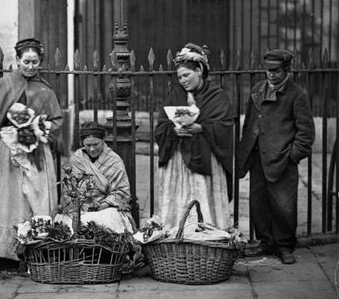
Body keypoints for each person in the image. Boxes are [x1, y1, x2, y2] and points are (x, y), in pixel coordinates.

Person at [0, 38, 63, 263]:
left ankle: (35, 246)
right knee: (6, 196)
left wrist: (38, 127)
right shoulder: (4, 84)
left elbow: (57, 120)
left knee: (35, 194)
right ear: (17, 60)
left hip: (35, 151)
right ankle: (1, 249)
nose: (30, 67)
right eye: (26, 61)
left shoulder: (45, 91)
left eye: (35, 62)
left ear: (40, 62)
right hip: (5, 151)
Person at [236, 48, 315, 264]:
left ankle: (285, 246)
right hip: (258, 158)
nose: (271, 75)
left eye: (277, 71)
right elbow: (249, 124)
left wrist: (292, 156)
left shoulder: (296, 94)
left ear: (287, 71)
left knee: (284, 205)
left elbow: (306, 133)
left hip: (282, 160)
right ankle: (265, 242)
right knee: (258, 202)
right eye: (268, 71)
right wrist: (246, 151)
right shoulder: (258, 90)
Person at [155, 43, 235, 231]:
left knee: (203, 200)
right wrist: (173, 131)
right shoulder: (175, 95)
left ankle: (208, 233)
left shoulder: (217, 95)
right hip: (179, 161)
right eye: (180, 77)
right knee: (180, 202)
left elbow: (225, 125)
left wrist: (202, 128)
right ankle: (178, 233)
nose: (182, 80)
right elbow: (161, 124)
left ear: (199, 70)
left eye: (186, 75)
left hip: (207, 160)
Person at [63, 121, 136, 231]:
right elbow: (68, 190)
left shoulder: (114, 161)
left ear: (103, 141)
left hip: (106, 209)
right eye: (88, 145)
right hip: (79, 209)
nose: (92, 149)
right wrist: (80, 205)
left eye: (96, 144)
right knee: (69, 225)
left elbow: (122, 192)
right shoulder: (76, 160)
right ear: (82, 143)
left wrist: (103, 205)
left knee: (109, 223)